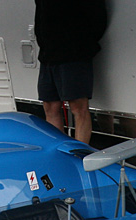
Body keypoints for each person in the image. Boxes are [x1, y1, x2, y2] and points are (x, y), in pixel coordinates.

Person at [34, 0, 107, 145]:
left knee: (78, 107)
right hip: (48, 54)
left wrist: (83, 44)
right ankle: (59, 153)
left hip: (74, 54)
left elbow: (98, 17)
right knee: (50, 105)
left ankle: (78, 156)